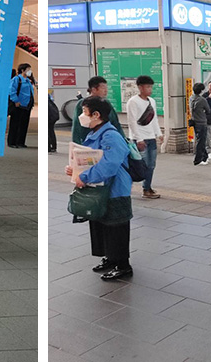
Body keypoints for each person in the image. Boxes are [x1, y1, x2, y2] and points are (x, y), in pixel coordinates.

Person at [66, 95, 134, 281]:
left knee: (116, 227)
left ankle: (122, 265)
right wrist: (74, 171)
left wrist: (85, 176)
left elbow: (109, 166)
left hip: (115, 190)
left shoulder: (111, 136)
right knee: (101, 224)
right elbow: (90, 161)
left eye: (84, 112)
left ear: (96, 114)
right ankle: (110, 259)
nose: (81, 116)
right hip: (99, 189)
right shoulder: (95, 133)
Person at [126, 75, 163, 199]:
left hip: (151, 137)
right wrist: (139, 139)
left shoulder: (152, 101)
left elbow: (154, 119)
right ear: (140, 87)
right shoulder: (133, 102)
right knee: (140, 166)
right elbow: (132, 122)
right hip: (139, 139)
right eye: (147, 87)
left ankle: (147, 188)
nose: (150, 89)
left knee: (151, 165)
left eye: (151, 87)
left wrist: (159, 134)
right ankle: (128, 187)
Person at [71, 76, 122, 144]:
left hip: (106, 140)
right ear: (94, 89)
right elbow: (76, 127)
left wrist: (123, 138)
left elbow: (115, 123)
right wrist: (76, 144)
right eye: (103, 88)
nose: (106, 91)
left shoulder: (106, 103)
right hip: (88, 141)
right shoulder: (83, 104)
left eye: (106, 88)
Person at [7, 63, 35, 149]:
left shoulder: (28, 80)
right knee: (15, 123)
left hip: (27, 105)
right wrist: (16, 100)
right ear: (23, 70)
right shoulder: (16, 79)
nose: (30, 71)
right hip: (18, 105)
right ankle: (12, 142)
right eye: (28, 69)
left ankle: (20, 142)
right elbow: (12, 90)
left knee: (24, 124)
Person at [190, 83, 210, 166]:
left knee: (200, 139)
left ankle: (205, 157)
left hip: (194, 122)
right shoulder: (202, 100)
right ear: (201, 91)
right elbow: (208, 110)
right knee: (201, 141)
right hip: (202, 122)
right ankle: (197, 160)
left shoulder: (191, 98)